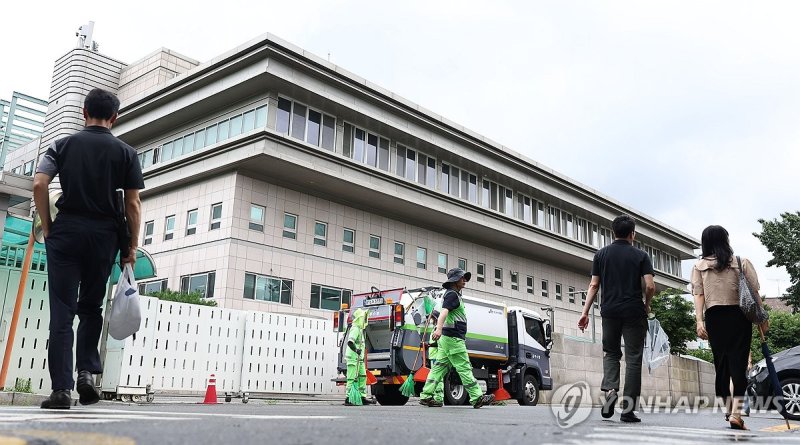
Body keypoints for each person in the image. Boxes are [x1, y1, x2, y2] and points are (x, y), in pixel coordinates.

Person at [33, 88, 144, 409]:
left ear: (84, 112)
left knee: (62, 311)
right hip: (104, 235)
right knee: (91, 307)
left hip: (66, 231)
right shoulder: (126, 153)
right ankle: (86, 375)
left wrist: (48, 225)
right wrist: (131, 247)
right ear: (115, 117)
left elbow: (40, 183)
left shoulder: (61, 145)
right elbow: (133, 203)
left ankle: (61, 391)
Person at [578, 214, 655, 423]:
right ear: (633, 234)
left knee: (611, 353)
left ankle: (611, 389)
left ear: (613, 232)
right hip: (633, 311)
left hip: (609, 311)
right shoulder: (641, 255)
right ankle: (628, 410)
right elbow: (650, 286)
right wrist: (646, 304)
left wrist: (585, 313)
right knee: (633, 358)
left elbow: (594, 285)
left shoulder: (601, 255)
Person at [691, 225, 768, 430]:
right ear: (726, 240)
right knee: (739, 364)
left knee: (722, 364)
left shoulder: (699, 267)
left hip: (714, 317)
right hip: (739, 317)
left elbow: (699, 295)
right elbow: (754, 293)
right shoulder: (741, 262)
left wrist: (699, 321)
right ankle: (736, 413)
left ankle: (728, 408)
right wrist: (762, 318)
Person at [419, 268, 495, 408]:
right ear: (454, 281)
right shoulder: (452, 295)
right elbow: (444, 313)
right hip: (453, 339)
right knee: (464, 367)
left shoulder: (452, 294)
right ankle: (477, 397)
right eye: (462, 278)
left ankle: (426, 395)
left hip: (447, 339)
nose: (464, 280)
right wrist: (439, 329)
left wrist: (440, 330)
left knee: (439, 368)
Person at [344, 308, 374, 405]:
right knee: (352, 378)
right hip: (353, 357)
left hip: (359, 359)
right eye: (364, 318)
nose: (365, 320)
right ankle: (349, 398)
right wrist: (356, 350)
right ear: (360, 318)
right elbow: (350, 342)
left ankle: (362, 396)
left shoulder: (361, 330)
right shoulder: (355, 329)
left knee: (362, 376)